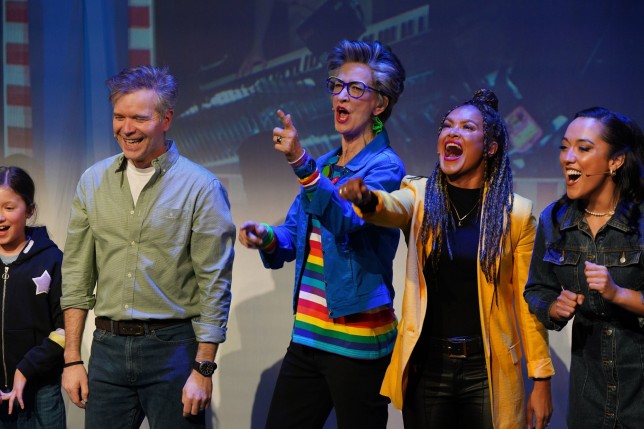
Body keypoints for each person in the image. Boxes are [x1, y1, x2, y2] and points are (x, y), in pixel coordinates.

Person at [339, 89, 554, 429]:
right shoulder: (420, 195)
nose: (452, 132)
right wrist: (368, 200)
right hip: (429, 366)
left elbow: (527, 303)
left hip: (487, 368)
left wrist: (541, 379)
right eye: (447, 125)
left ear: (491, 147)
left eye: (467, 127)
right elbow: (392, 208)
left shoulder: (516, 214)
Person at [238, 39, 406, 428]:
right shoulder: (327, 164)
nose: (341, 97)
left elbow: (347, 221)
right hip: (309, 336)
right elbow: (295, 234)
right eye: (336, 86)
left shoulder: (386, 166)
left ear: (380, 104)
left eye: (355, 88)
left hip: (358, 342)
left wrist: (300, 161)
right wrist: (267, 236)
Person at [60, 65, 236, 428]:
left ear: (166, 118)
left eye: (139, 118)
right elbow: (77, 276)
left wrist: (203, 368)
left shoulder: (201, 187)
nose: (126, 129)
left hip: (172, 349)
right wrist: (73, 358)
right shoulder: (92, 182)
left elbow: (214, 283)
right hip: (106, 349)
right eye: (119, 117)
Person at [523, 107, 644, 429]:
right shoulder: (555, 219)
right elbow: (536, 289)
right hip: (588, 390)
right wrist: (553, 307)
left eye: (584, 148)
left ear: (615, 161)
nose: (568, 158)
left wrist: (617, 293)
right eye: (564, 147)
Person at [0, 166, 65, 428]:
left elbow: (65, 328)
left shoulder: (52, 260)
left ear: (29, 209)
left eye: (9, 207)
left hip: (40, 394)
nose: (0, 217)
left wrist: (26, 368)